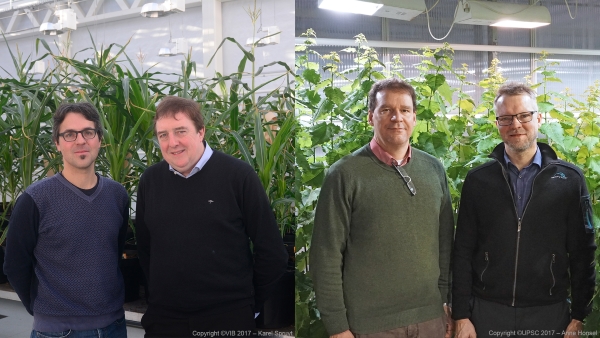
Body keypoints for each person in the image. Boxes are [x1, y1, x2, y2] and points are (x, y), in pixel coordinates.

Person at [310, 78, 455, 338]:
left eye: (405, 110)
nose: (397, 118)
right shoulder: (345, 174)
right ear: (371, 117)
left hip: (429, 319)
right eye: (386, 110)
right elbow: (325, 255)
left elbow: (445, 243)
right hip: (370, 326)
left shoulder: (434, 169)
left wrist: (443, 301)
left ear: (414, 117)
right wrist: (338, 327)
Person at [452, 82, 597, 338]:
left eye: (523, 116)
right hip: (488, 310)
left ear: (538, 118)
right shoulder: (478, 181)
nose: (515, 124)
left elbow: (583, 252)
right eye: (505, 118)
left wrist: (578, 316)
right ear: (497, 123)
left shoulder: (570, 180)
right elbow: (463, 249)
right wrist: (461, 314)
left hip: (549, 312)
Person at [136, 96, 288, 337]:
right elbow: (145, 250)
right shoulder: (150, 181)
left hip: (227, 319)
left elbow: (272, 252)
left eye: (180, 131)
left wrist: (247, 305)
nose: (172, 142)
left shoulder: (238, 176)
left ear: (201, 132)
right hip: (165, 321)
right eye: (163, 135)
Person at [3, 102, 129, 338]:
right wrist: (44, 309)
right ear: (57, 143)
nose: (80, 141)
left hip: (114, 326)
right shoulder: (35, 199)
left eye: (88, 132)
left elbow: (113, 252)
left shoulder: (117, 195)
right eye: (69, 134)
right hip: (57, 332)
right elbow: (14, 265)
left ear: (99, 139)